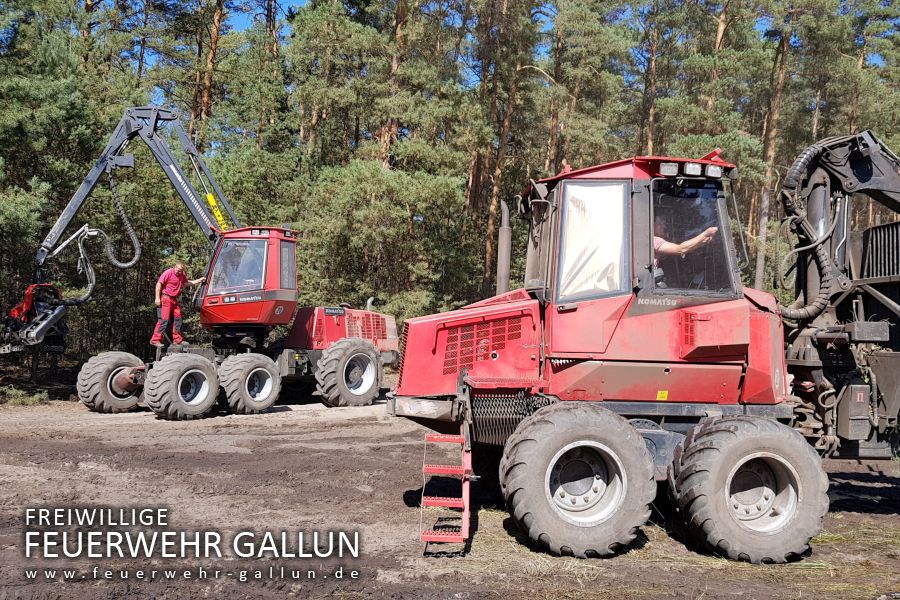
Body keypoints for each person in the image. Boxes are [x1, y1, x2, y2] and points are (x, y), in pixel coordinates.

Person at [150, 262, 206, 347]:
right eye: (178, 270)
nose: (179, 273)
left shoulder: (182, 274)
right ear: (174, 267)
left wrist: (198, 280)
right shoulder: (168, 273)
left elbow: (186, 283)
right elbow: (159, 284)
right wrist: (157, 298)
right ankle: (155, 339)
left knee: (178, 318)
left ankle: (177, 339)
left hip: (174, 300)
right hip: (166, 298)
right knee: (163, 320)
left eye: (181, 271)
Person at [654, 216, 718, 258]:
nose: (664, 227)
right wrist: (705, 234)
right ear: (651, 224)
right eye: (660, 224)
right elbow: (681, 249)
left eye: (664, 224)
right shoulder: (654, 241)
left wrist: (701, 241)